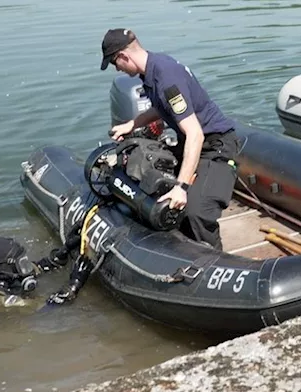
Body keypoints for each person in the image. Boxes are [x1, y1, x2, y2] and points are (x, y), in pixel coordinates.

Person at [101, 28, 239, 249]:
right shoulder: (151, 70)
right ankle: (182, 249)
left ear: (123, 56)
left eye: (114, 63)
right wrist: (132, 124)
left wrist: (181, 187)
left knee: (196, 213)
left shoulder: (166, 77)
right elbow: (162, 107)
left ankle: (217, 263)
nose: (117, 69)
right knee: (154, 187)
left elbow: (196, 134)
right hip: (192, 143)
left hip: (216, 147)